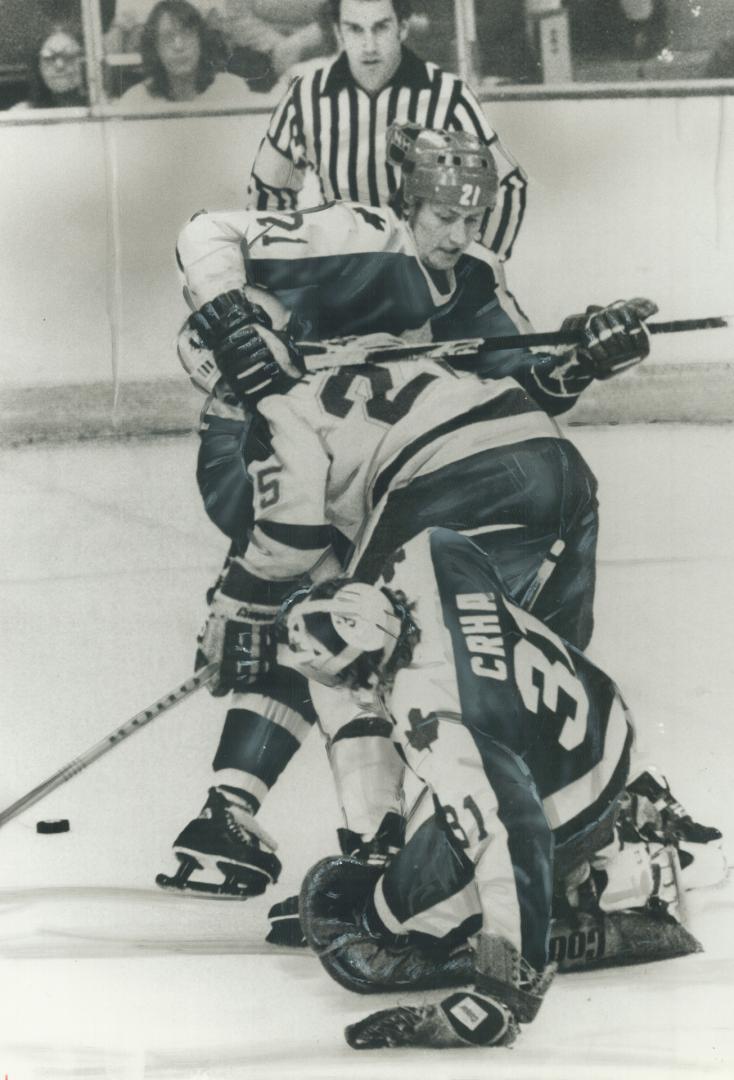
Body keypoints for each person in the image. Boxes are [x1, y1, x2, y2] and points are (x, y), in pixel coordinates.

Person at [160, 124, 721, 899]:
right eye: (441, 217)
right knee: (464, 651)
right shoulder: (356, 237)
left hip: (430, 474)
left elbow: (530, 383)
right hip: (507, 476)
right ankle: (600, 827)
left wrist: (584, 357)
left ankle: (390, 852)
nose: (457, 235)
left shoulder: (477, 284)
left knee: (351, 638)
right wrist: (231, 319)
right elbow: (204, 230)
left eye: (471, 217)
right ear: (406, 205)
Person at [266, 527, 703, 1049]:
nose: (340, 688)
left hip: (567, 793)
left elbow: (515, 832)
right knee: (467, 812)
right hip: (601, 716)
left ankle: (613, 877)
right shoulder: (431, 555)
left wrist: (502, 993)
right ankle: (618, 816)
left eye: (337, 676)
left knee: (371, 933)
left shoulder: (434, 716)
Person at [246, 0, 527, 262]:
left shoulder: (448, 95)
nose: (369, 46)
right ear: (338, 32)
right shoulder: (306, 96)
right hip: (344, 280)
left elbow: (507, 184)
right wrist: (284, 271)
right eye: (355, 29)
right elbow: (267, 189)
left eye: (381, 27)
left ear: (402, 28)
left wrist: (470, 264)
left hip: (425, 284)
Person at [115, 0, 255, 110]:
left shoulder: (231, 91)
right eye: (168, 37)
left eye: (187, 34)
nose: (179, 46)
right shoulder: (135, 101)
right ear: (155, 48)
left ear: (201, 40)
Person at [10, 24, 88, 110]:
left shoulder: (102, 108)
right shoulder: (22, 114)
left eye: (69, 56)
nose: (60, 65)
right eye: (49, 58)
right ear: (38, 67)